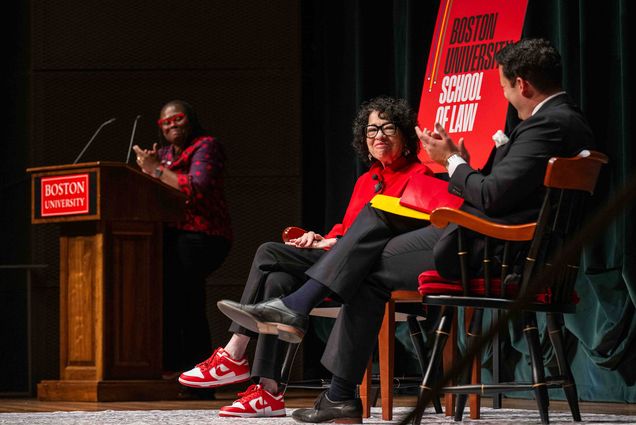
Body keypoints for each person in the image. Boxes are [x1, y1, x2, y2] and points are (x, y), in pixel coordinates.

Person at [217, 38, 595, 423]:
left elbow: (492, 197)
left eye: (504, 87)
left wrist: (450, 162)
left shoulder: (546, 125)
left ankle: (317, 349)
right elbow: (500, 192)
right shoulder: (565, 121)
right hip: (496, 244)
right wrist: (462, 163)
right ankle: (331, 382)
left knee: (368, 250)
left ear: (524, 84)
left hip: (494, 252)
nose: (506, 95)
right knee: (377, 221)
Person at [177, 96, 433, 417]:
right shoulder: (365, 180)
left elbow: (400, 240)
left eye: (388, 128)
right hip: (341, 264)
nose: (378, 135)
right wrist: (322, 239)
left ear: (406, 137)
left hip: (374, 272)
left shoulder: (420, 177)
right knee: (278, 277)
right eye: (371, 130)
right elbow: (347, 230)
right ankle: (268, 391)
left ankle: (235, 351)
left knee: (268, 252)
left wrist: (334, 245)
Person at [133, 100, 232, 385]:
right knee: (171, 301)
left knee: (187, 301)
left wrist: (154, 170)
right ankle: (175, 370)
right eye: (165, 122)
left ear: (190, 119)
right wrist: (146, 171)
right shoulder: (162, 155)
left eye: (177, 119)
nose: (171, 125)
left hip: (202, 236)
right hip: (169, 236)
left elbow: (196, 188)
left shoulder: (206, 146)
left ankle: (196, 375)